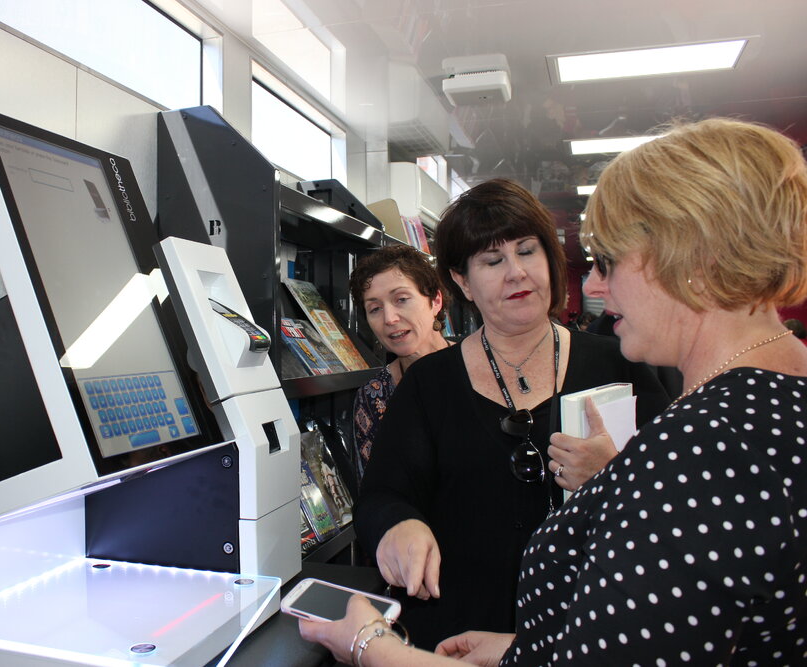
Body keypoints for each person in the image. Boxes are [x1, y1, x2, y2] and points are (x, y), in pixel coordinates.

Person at [300, 118, 807, 666]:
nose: (591, 285)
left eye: (608, 262)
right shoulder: (752, 415)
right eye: (492, 261)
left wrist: (368, 646)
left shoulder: (704, 441)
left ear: (689, 259)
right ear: (462, 281)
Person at [350, 178, 670, 650]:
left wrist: (613, 475)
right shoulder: (429, 383)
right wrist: (398, 524)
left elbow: (675, 496)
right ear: (461, 282)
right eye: (493, 261)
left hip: (588, 631)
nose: (517, 273)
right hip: (453, 637)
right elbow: (381, 494)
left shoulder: (619, 361)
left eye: (527, 251)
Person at [350, 245, 452, 478]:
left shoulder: (480, 368)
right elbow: (373, 491)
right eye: (374, 309)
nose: (390, 318)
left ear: (435, 301)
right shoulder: (372, 397)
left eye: (402, 299)